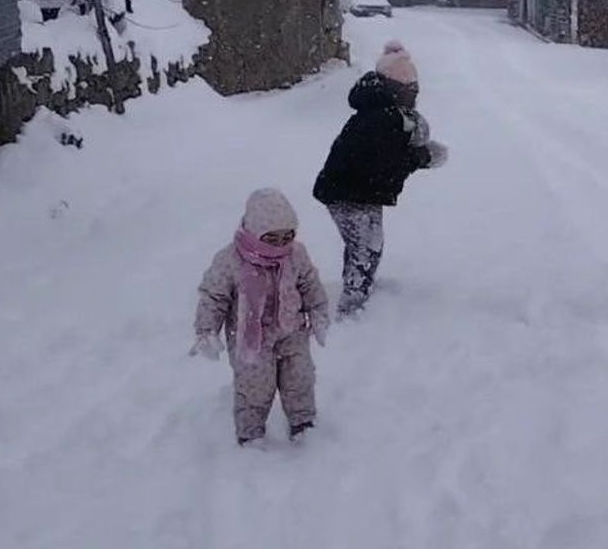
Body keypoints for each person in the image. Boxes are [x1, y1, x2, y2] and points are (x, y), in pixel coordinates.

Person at [312, 40, 448, 318]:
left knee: (372, 244)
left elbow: (393, 158)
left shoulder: (390, 114)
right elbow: (389, 163)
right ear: (392, 88)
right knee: (363, 248)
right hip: (345, 192)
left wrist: (417, 152)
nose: (414, 95)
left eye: (416, 89)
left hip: (364, 191)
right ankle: (352, 306)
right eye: (408, 90)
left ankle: (362, 291)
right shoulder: (379, 119)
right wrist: (422, 157)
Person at [190, 188, 330, 447]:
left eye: (287, 236)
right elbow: (214, 296)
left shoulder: (296, 255)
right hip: (250, 338)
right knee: (255, 386)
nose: (281, 245)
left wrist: (318, 311)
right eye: (273, 238)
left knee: (300, 378)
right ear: (254, 233)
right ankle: (250, 432)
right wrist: (206, 330)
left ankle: (302, 422)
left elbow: (310, 283)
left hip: (292, 331)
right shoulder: (230, 260)